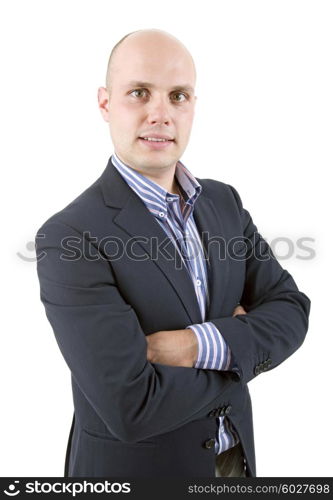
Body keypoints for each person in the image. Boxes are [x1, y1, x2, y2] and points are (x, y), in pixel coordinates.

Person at [35, 28, 311, 478]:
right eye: (139, 93)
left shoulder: (224, 203)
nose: (160, 113)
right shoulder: (69, 236)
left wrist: (193, 345)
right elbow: (131, 406)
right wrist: (238, 347)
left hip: (234, 465)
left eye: (178, 95)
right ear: (105, 104)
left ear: (193, 107)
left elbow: (293, 311)